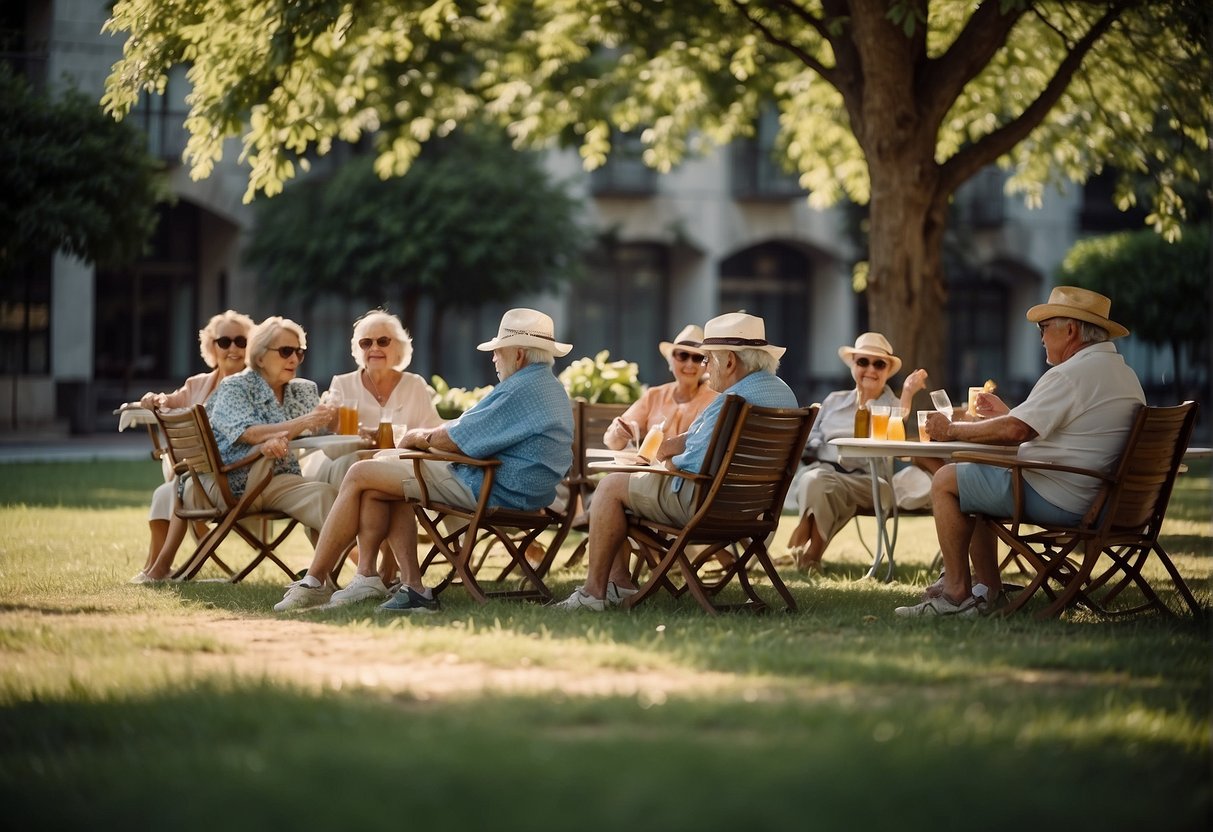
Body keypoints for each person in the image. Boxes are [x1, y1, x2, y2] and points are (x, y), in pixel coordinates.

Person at [273, 307, 575, 613]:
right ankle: (393, 583)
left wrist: (417, 438)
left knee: (361, 472)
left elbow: (457, 439)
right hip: (521, 492)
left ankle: (315, 580)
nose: (494, 358)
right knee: (385, 481)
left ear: (519, 355)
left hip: (492, 489)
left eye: (498, 352)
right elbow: (471, 432)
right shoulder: (547, 387)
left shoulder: (518, 390)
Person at [896, 286, 1144, 617]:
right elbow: (1047, 427)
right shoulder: (1123, 374)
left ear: (1069, 330)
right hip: (1106, 500)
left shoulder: (1071, 375)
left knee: (946, 480)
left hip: (1065, 498)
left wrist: (951, 430)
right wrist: (1007, 415)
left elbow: (1016, 431)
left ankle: (956, 594)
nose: (1040, 337)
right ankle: (987, 589)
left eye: (1044, 327)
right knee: (973, 475)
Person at [555, 311, 799, 611]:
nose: (705, 368)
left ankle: (594, 593)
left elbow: (688, 466)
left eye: (707, 358)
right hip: (753, 509)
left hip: (704, 505)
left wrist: (668, 461)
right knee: (621, 487)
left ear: (731, 362)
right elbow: (704, 446)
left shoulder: (731, 403)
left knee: (609, 487)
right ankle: (618, 583)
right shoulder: (784, 396)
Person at [300, 310, 444, 585]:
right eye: (366, 343)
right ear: (358, 349)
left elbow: (430, 431)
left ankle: (375, 573)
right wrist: (344, 426)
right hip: (343, 463)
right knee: (363, 476)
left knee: (387, 485)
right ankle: (372, 572)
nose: (374, 348)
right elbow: (335, 426)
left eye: (383, 341)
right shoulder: (343, 383)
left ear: (399, 347)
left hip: (393, 467)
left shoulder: (414, 385)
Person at [190, 316, 339, 552]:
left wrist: (336, 420)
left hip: (280, 478)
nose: (293, 359)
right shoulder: (235, 387)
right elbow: (249, 433)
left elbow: (320, 429)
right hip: (233, 483)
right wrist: (302, 422)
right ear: (259, 356)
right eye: (285, 351)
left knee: (329, 497)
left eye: (298, 353)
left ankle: (329, 577)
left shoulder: (303, 390)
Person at [783, 332, 929, 571]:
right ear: (853, 366)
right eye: (863, 362)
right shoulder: (833, 400)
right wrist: (818, 445)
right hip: (826, 473)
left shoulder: (892, 406)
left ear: (887, 370)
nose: (870, 369)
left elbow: (897, 427)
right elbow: (811, 437)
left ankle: (806, 549)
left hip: (871, 482)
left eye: (878, 364)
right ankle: (809, 558)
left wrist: (908, 394)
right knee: (817, 480)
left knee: (820, 482)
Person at [130, 310, 255, 584]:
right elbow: (168, 401)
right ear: (212, 347)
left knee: (170, 491)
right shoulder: (197, 384)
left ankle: (157, 570)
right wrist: (155, 398)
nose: (233, 348)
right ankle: (154, 567)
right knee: (164, 493)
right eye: (225, 342)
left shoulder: (255, 387)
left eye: (241, 341)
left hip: (234, 476)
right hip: (196, 475)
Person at [602, 324, 718, 451]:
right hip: (650, 468)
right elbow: (614, 440)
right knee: (615, 472)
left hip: (688, 469)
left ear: (705, 365)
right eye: (682, 356)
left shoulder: (714, 400)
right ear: (670, 360)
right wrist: (621, 433)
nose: (689, 364)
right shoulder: (654, 395)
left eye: (698, 358)